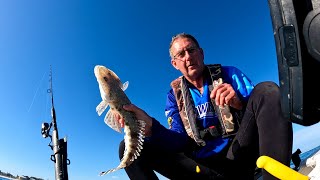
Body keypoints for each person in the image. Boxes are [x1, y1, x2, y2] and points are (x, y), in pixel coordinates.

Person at [117, 33, 293, 179]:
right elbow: (178, 142)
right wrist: (152, 128)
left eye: (191, 50)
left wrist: (238, 103)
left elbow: (262, 111)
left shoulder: (229, 74)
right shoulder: (173, 97)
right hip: (202, 170)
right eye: (181, 54)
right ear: (175, 63)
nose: (188, 57)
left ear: (201, 53)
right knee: (127, 147)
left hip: (239, 154)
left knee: (267, 90)